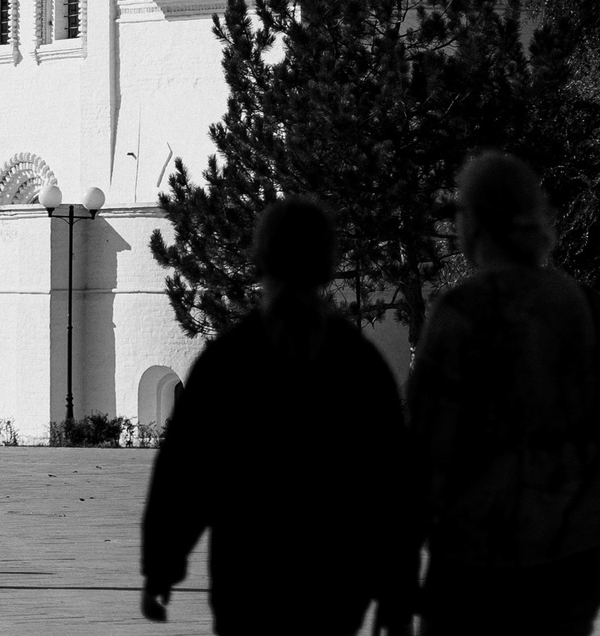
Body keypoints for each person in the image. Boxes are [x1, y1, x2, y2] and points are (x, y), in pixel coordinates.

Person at [409, 152, 600, 636]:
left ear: (474, 225)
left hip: (477, 560)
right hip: (575, 549)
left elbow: (424, 449)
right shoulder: (585, 305)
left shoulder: (458, 314)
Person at [141, 198, 414, 634]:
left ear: (260, 263)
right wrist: (395, 589)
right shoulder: (359, 363)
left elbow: (184, 474)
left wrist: (162, 566)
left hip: (248, 580)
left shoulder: (228, 361)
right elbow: (391, 486)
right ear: (327, 267)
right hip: (335, 584)